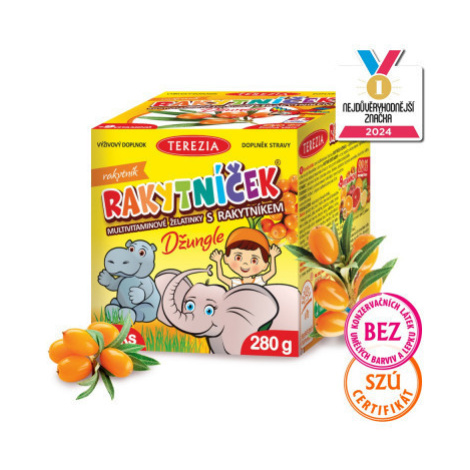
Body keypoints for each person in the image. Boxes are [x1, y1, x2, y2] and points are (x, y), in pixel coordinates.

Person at [210, 227, 281, 289]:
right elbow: (221, 277)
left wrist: (273, 256)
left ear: (265, 265)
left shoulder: (259, 280)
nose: (245, 263)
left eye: (254, 260)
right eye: (238, 258)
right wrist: (218, 261)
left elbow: (272, 272)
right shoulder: (235, 282)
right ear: (226, 258)